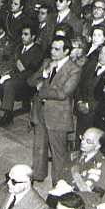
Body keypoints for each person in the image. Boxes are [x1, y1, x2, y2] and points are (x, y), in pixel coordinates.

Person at [28, 36, 81, 184]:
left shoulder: (74, 69)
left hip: (58, 115)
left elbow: (63, 93)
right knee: (39, 146)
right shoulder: (47, 63)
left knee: (58, 152)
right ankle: (38, 174)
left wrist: (42, 89)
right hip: (40, 111)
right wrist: (44, 74)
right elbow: (30, 81)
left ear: (67, 51)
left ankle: (58, 183)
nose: (53, 51)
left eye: (57, 49)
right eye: (52, 48)